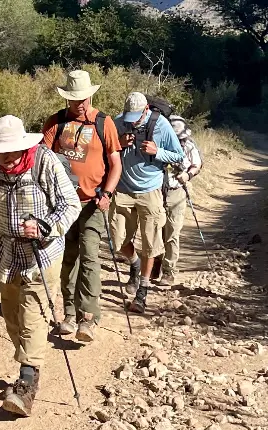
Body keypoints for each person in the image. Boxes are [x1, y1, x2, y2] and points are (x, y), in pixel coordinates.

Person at [0, 115, 81, 417]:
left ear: (23, 146)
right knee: (12, 316)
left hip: (43, 251)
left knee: (32, 315)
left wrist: (46, 226)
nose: (5, 158)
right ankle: (28, 366)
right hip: (7, 251)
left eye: (9, 151)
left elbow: (70, 204)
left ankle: (26, 385)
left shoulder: (44, 162)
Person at [42, 70, 123, 342]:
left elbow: (115, 163)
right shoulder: (56, 123)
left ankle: (88, 317)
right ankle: (68, 312)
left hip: (93, 203)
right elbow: (42, 158)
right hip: (63, 206)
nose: (80, 103)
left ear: (90, 95)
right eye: (75, 99)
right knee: (67, 258)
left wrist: (108, 193)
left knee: (89, 256)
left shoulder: (103, 122)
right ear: (67, 99)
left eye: (84, 98)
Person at [110, 92, 184, 314]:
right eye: (128, 116)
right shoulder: (117, 122)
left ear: (146, 110)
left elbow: (179, 156)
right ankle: (133, 264)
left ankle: (142, 291)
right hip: (122, 190)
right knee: (117, 239)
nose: (131, 121)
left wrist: (157, 151)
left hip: (150, 191)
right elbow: (106, 152)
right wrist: (119, 144)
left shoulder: (161, 124)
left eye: (136, 116)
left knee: (150, 244)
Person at [152, 115, 203, 285]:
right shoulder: (157, 143)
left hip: (177, 192)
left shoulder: (188, 146)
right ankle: (156, 260)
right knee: (155, 229)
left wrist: (187, 175)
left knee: (172, 232)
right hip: (157, 191)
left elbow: (197, 164)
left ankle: (169, 271)